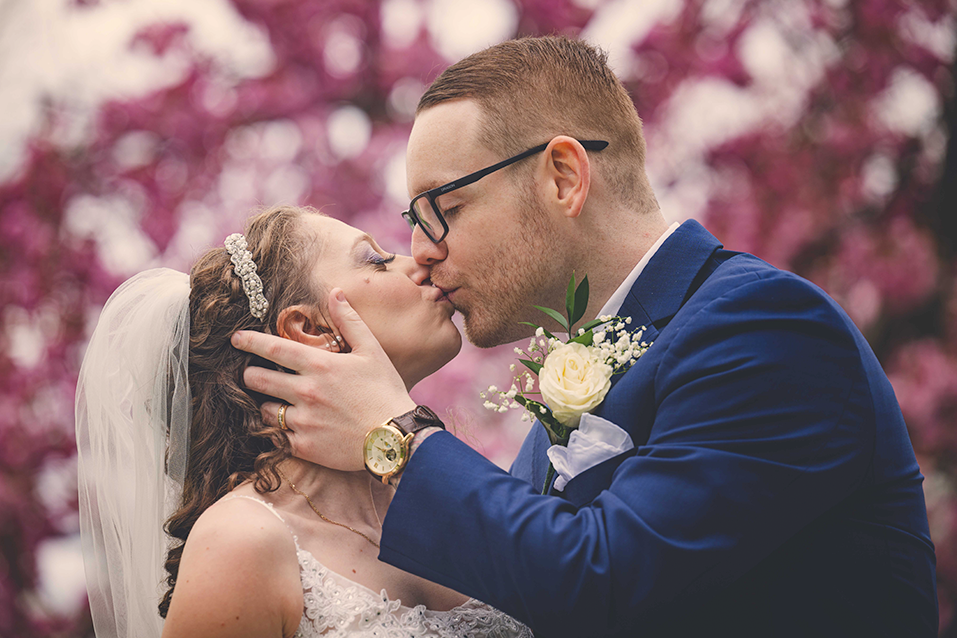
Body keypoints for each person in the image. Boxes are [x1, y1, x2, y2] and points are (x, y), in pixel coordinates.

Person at [231, 36, 939, 637]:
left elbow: (605, 581)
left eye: (443, 207)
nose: (419, 251)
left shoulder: (765, 330)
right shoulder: (567, 394)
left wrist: (395, 434)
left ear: (563, 176)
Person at [76, 205, 532, 638]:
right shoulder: (242, 542)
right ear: (309, 329)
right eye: (376, 259)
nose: (418, 263)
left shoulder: (451, 490)